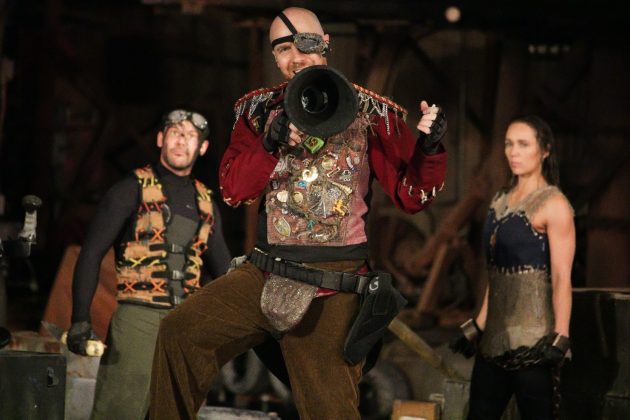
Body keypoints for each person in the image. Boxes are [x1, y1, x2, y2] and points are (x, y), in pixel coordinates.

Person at [149, 7, 448, 419]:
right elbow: (233, 191)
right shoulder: (257, 112)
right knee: (180, 331)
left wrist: (429, 149)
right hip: (265, 270)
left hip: (333, 280)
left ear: (325, 44)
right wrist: (267, 145)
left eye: (304, 44)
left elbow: (413, 197)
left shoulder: (373, 114)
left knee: (329, 409)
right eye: (283, 49)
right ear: (274, 57)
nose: (295, 57)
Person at [66, 109, 231, 420]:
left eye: (190, 136)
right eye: (175, 133)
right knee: (120, 409)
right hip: (139, 316)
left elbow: (224, 272)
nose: (181, 141)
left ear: (202, 147)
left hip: (186, 323)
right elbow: (91, 253)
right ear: (160, 139)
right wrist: (80, 320)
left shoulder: (206, 201)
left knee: (177, 411)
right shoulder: (131, 189)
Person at [450, 115, 575, 420]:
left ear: (544, 150)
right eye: (508, 144)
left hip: (535, 344)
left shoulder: (554, 204)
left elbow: (562, 277)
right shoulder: (499, 200)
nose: (513, 152)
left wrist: (561, 337)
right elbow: (497, 274)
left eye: (523, 144)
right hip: (494, 341)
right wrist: (477, 326)